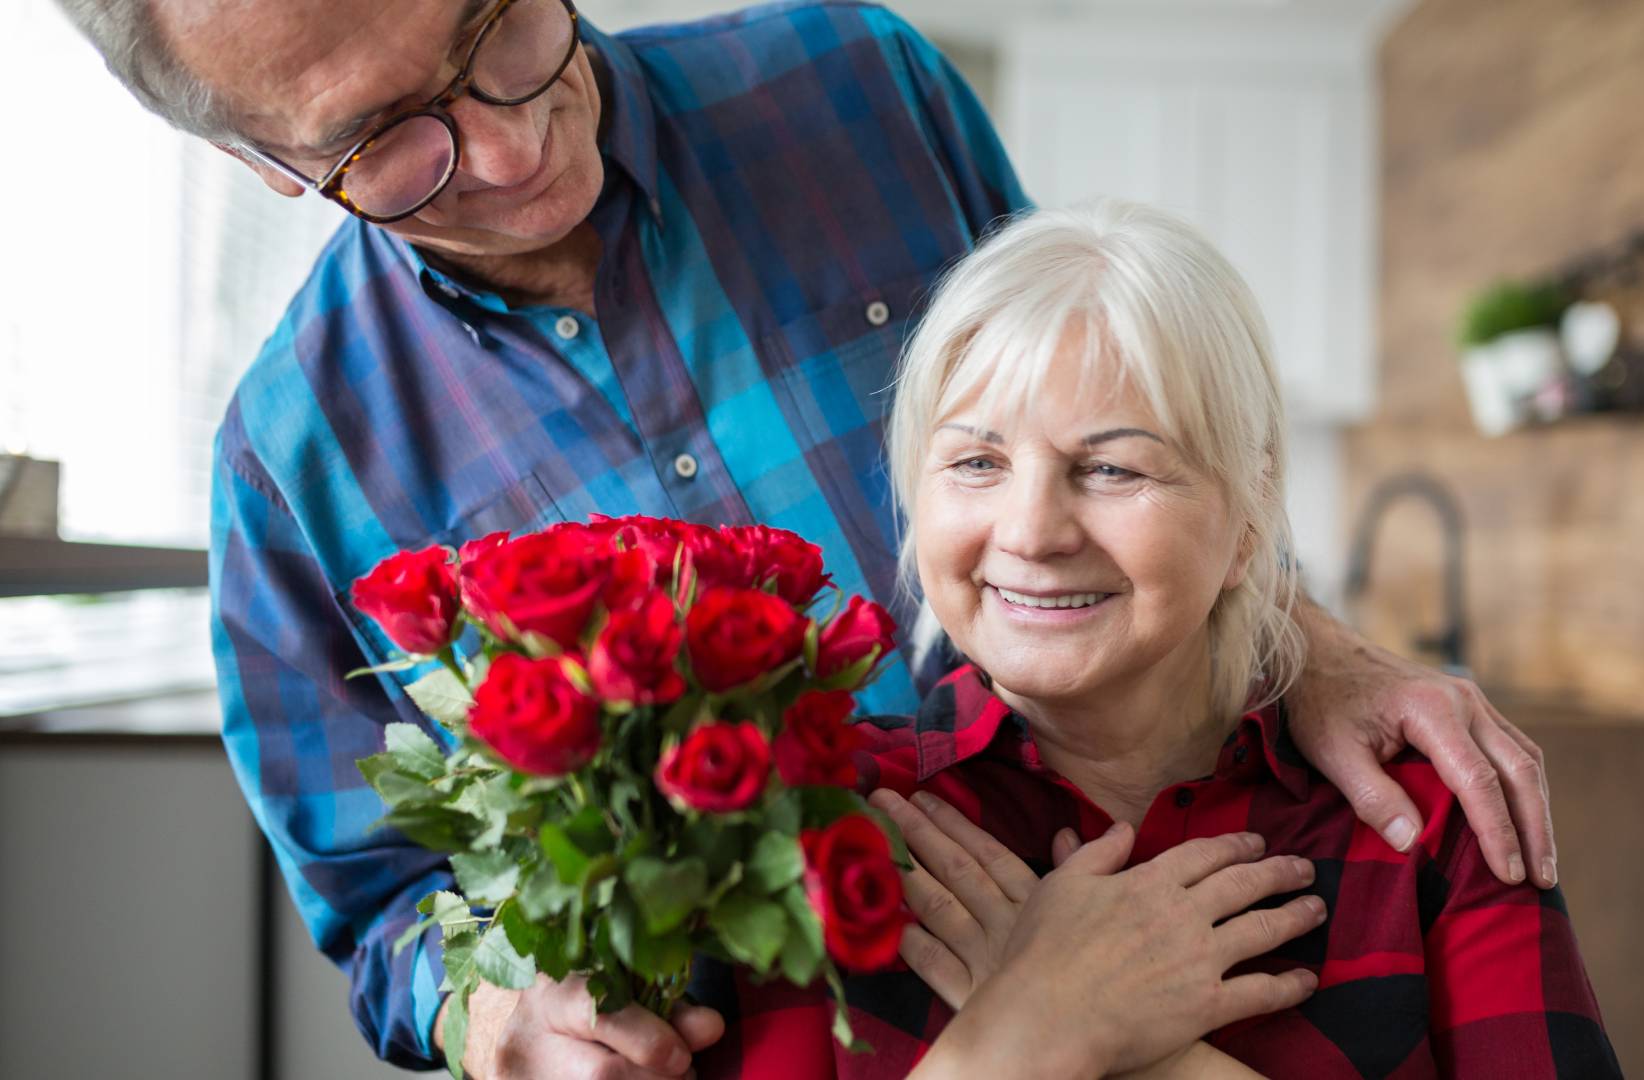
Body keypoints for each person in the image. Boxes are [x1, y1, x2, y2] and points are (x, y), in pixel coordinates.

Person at [55, 1, 1558, 1074]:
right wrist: (490, 1014)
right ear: (266, 168)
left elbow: (1111, 413)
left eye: (493, 30)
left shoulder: (861, 86)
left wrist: (1319, 646)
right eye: (392, 140)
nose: (508, 148)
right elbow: (386, 906)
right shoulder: (287, 459)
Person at [694, 201, 1618, 1078]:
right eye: (977, 462)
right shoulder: (807, 826)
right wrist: (1022, 1038)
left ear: (1248, 521)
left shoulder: (1425, 821)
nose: (1031, 533)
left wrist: (1134, 1049)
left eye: (1110, 466)